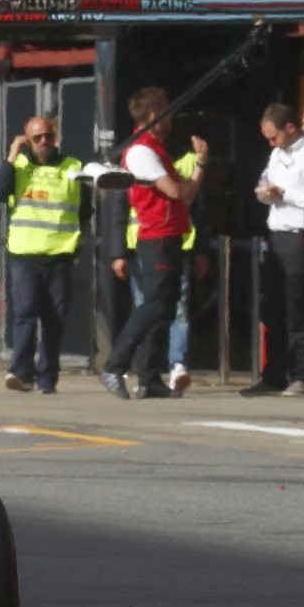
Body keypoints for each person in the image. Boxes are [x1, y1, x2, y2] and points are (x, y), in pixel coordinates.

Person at [101, 87, 209, 399]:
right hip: (156, 237)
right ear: (153, 116)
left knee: (164, 306)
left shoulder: (155, 148)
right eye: (167, 111)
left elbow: (182, 193)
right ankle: (114, 365)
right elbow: (177, 192)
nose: (172, 117)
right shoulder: (142, 150)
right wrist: (200, 165)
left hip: (169, 235)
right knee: (154, 305)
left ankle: (149, 377)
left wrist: (196, 170)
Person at [0, 116, 87, 395]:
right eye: (37, 138)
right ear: (26, 140)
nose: (44, 142)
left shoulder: (73, 166)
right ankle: (20, 372)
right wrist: (11, 156)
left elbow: (86, 210)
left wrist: (73, 242)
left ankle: (47, 378)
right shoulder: (18, 166)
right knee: (25, 315)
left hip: (59, 255)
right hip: (25, 254)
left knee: (54, 319)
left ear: (55, 136)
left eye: (47, 136)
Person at [248, 103, 304, 396]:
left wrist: (285, 193)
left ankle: (301, 374)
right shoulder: (277, 154)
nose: (271, 143)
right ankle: (273, 374)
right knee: (272, 306)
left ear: (290, 128)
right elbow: (265, 186)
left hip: (301, 234)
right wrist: (265, 192)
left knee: (298, 306)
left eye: (274, 137)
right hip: (276, 232)